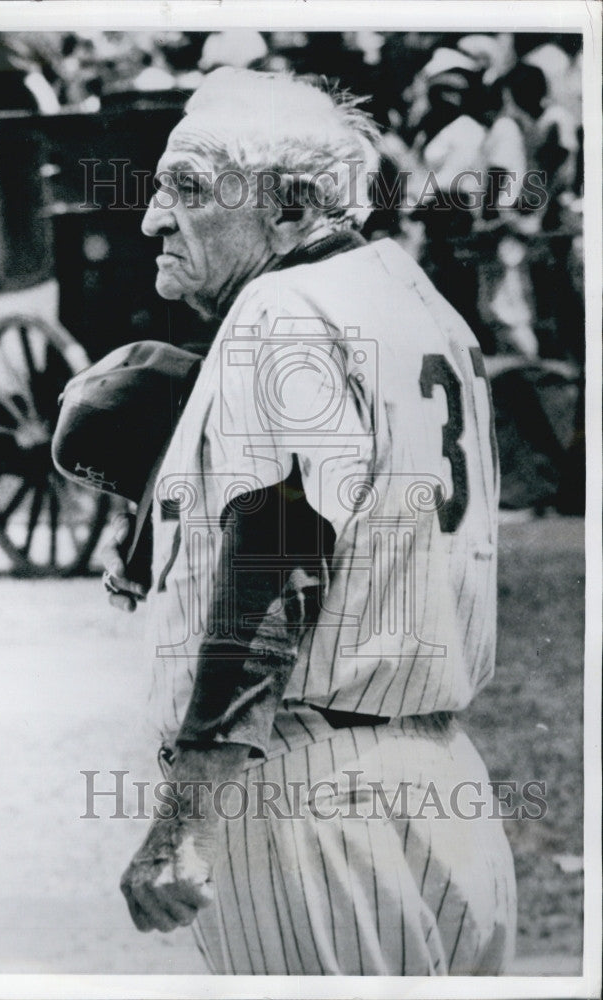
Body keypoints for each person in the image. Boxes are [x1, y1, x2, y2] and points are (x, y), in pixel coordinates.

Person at [105, 67, 517, 975]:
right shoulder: (419, 301)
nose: (152, 219)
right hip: (446, 794)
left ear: (289, 208)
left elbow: (276, 566)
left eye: (188, 190)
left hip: (307, 800)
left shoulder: (280, 313)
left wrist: (184, 828)